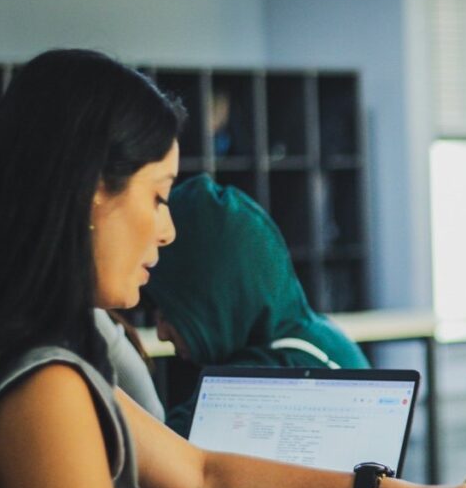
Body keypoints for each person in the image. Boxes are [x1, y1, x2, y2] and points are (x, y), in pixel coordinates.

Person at [0, 49, 466, 488]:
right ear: (89, 196)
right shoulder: (41, 392)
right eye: (158, 196)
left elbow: (200, 476)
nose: (168, 229)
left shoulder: (27, 360)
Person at [143, 173, 369, 438]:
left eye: (170, 310)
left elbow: (160, 460)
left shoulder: (267, 377)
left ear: (218, 297)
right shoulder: (317, 336)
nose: (161, 332)